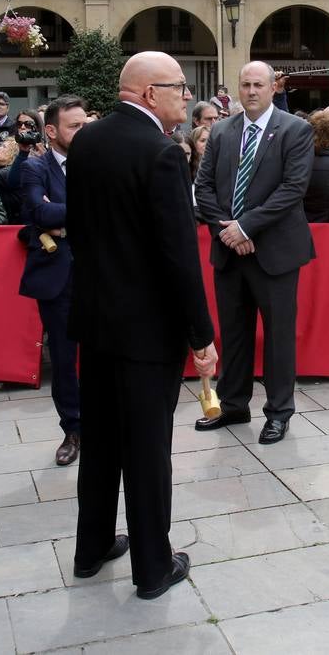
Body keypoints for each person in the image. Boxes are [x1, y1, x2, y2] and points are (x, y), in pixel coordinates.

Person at [66, 51, 218, 600]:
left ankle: (91, 548)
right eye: (180, 86)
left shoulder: (87, 139)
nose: (187, 95)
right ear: (151, 93)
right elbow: (179, 254)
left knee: (101, 441)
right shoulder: (161, 152)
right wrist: (201, 335)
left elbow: (81, 229)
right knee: (148, 450)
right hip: (147, 328)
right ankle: (153, 567)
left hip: (96, 319)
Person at [194, 61, 314, 445]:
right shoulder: (222, 131)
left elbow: (293, 188)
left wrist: (245, 227)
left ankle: (279, 413)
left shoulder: (295, 130)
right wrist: (228, 231)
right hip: (229, 252)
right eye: (245, 84)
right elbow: (203, 187)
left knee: (278, 337)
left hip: (274, 253)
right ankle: (233, 405)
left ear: (273, 87)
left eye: (258, 85)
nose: (250, 91)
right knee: (233, 333)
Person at [19, 96, 89, 466]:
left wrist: (62, 217)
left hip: (98, 272)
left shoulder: (97, 162)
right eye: (74, 126)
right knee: (63, 357)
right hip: (58, 276)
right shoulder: (35, 167)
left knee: (102, 354)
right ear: (51, 131)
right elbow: (38, 212)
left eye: (85, 125)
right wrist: (88, 208)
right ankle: (73, 429)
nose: (83, 132)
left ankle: (103, 423)